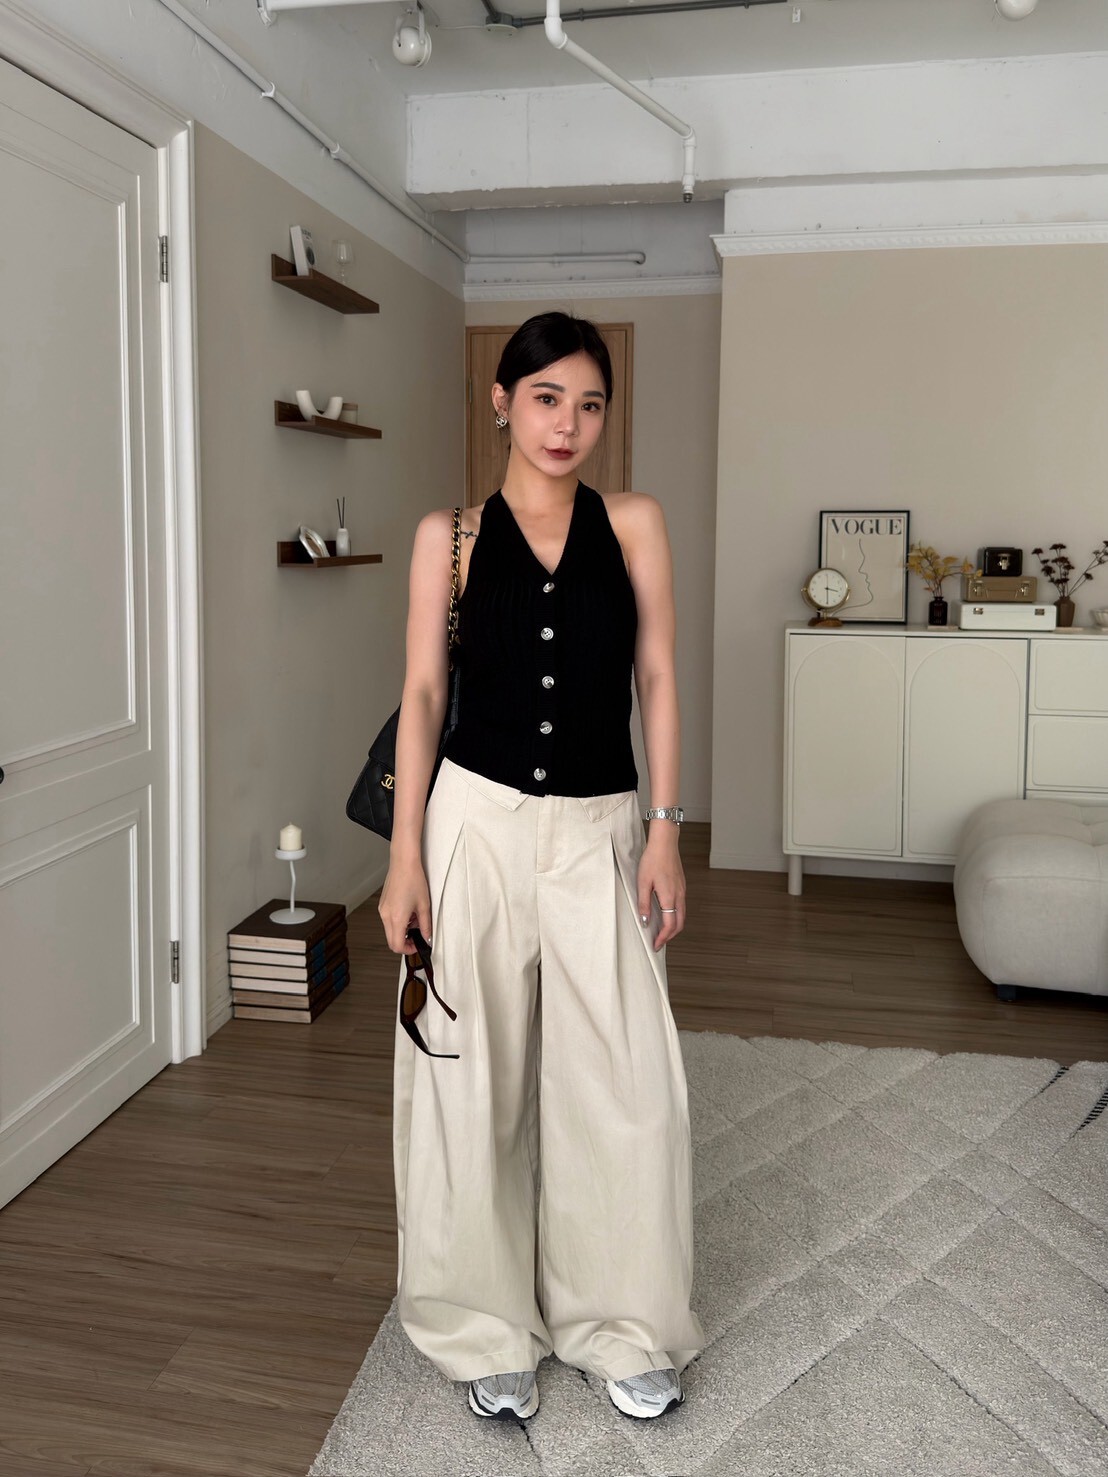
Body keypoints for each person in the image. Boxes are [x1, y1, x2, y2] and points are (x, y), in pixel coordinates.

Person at [378, 311, 704, 1425]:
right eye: (547, 397)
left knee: (620, 1082)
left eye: (590, 403)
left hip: (602, 828)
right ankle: (482, 1327)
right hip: (473, 824)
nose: (568, 424)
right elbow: (424, 694)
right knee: (469, 1076)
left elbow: (657, 676)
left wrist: (666, 828)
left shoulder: (636, 523)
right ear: (503, 401)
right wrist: (406, 858)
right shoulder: (450, 537)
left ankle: (618, 1324)